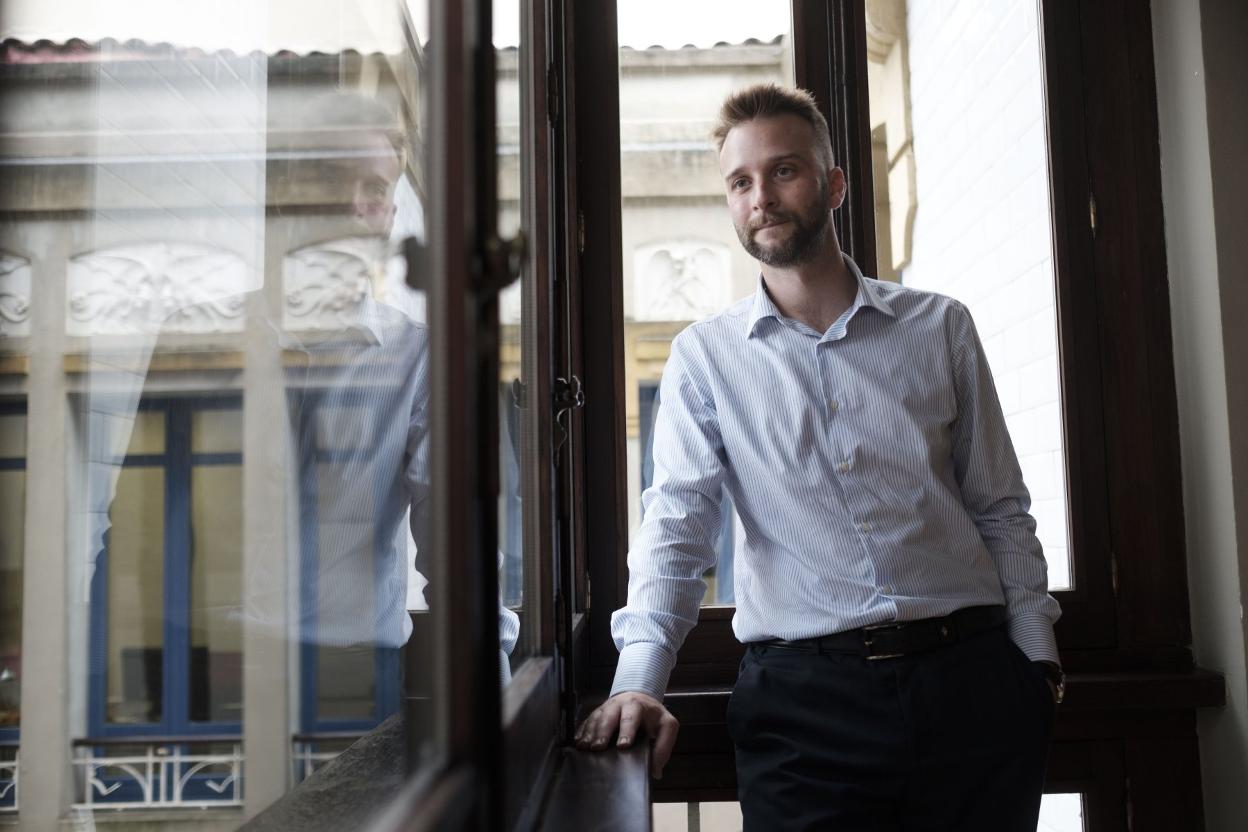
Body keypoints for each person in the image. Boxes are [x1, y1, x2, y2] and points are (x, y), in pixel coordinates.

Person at [575, 83, 1062, 830]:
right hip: (805, 712)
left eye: (784, 171)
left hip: (971, 687)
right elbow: (677, 529)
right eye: (740, 182)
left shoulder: (940, 328)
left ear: (834, 184)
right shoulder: (704, 360)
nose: (761, 197)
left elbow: (998, 504)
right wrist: (639, 681)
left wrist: (1037, 663)